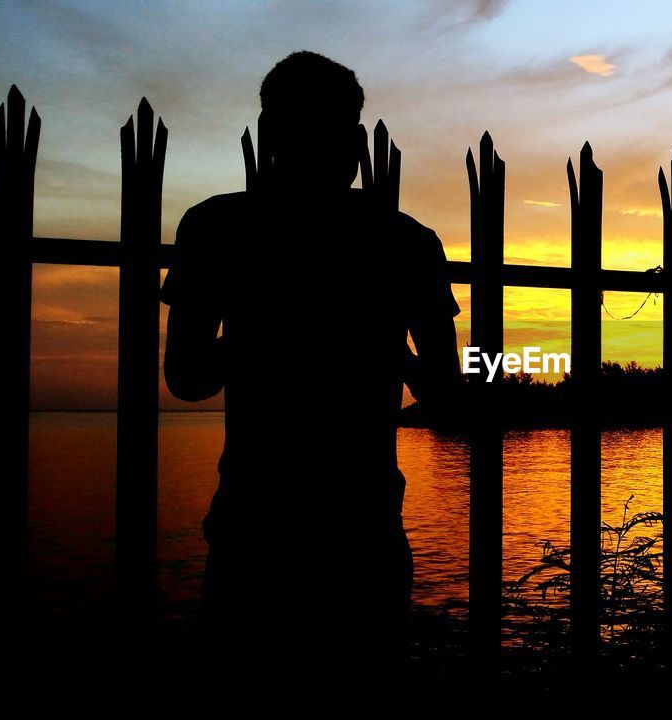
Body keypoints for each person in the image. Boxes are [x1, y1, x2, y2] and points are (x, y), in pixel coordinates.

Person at [161, 50, 461, 677]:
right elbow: (448, 396)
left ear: (270, 135)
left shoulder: (217, 227)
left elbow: (187, 377)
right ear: (355, 142)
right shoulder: (405, 240)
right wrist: (389, 353)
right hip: (348, 533)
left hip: (264, 533)